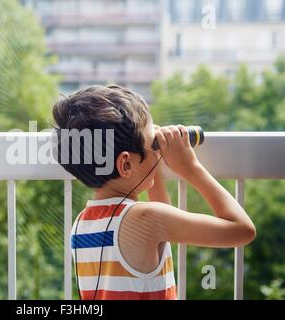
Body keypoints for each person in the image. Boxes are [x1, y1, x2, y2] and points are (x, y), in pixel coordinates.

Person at [51, 84, 256, 300]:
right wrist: (190, 168)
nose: (157, 150)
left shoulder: (82, 225)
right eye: (154, 145)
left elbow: (161, 228)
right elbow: (242, 230)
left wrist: (148, 152)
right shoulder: (146, 219)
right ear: (126, 165)